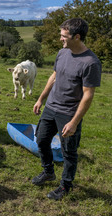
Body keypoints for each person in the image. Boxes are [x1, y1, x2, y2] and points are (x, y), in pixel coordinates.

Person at [32, 18, 102, 200]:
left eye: (64, 36)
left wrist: (74, 122)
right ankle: (48, 172)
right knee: (41, 140)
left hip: (69, 113)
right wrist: (41, 99)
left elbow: (88, 95)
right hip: (51, 107)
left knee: (68, 152)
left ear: (77, 37)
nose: (60, 39)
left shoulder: (90, 62)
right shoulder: (62, 53)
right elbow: (54, 76)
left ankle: (65, 186)